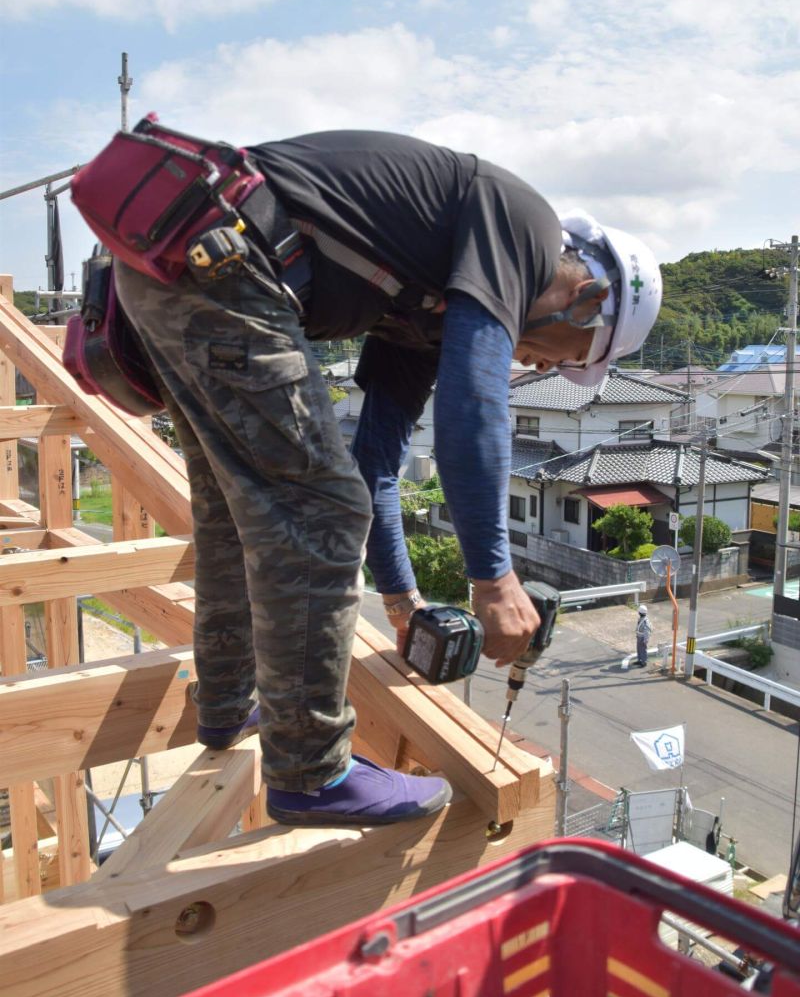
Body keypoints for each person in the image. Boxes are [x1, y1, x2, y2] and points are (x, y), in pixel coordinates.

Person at [109, 129, 662, 827]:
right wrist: (493, 580)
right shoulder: (523, 226)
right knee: (319, 507)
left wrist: (402, 601)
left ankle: (225, 707)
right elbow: (473, 409)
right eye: (570, 357)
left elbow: (376, 465)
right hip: (219, 258)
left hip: (169, 261)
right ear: (588, 298)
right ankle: (310, 774)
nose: (546, 368)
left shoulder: (427, 310)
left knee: (234, 508)